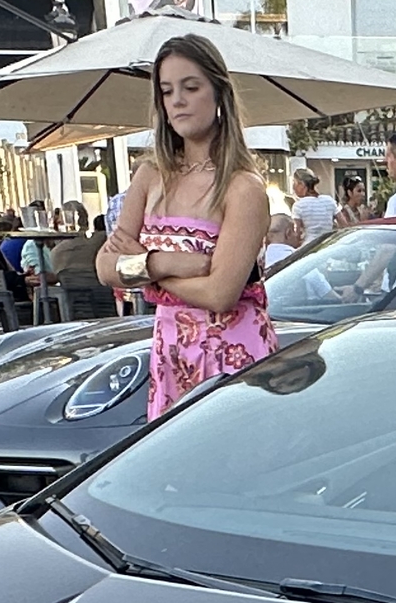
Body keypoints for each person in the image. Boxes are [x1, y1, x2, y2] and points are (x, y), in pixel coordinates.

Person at [97, 32, 277, 419]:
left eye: (190, 87)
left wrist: (143, 273)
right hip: (169, 352)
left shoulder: (242, 186)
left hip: (231, 356)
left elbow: (220, 294)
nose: (176, 100)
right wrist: (165, 264)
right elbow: (104, 267)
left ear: (218, 94)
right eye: (166, 90)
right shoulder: (150, 176)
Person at [290, 168, 337, 245]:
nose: (293, 187)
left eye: (294, 183)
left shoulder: (299, 206)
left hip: (309, 246)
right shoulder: (329, 200)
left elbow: (297, 234)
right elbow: (344, 225)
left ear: (302, 184)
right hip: (328, 244)